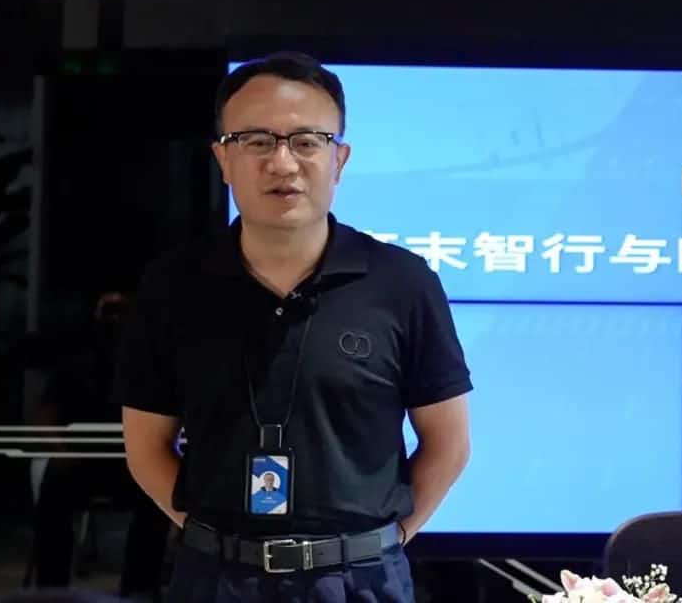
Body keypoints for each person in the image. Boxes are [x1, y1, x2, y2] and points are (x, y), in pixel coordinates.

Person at [114, 51, 472, 602]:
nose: (282, 163)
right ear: (223, 158)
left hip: (359, 582)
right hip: (217, 580)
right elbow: (146, 447)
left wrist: (382, 544)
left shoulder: (402, 283)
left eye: (307, 141)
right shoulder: (173, 285)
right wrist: (216, 541)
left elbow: (448, 444)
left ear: (339, 159)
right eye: (256, 141)